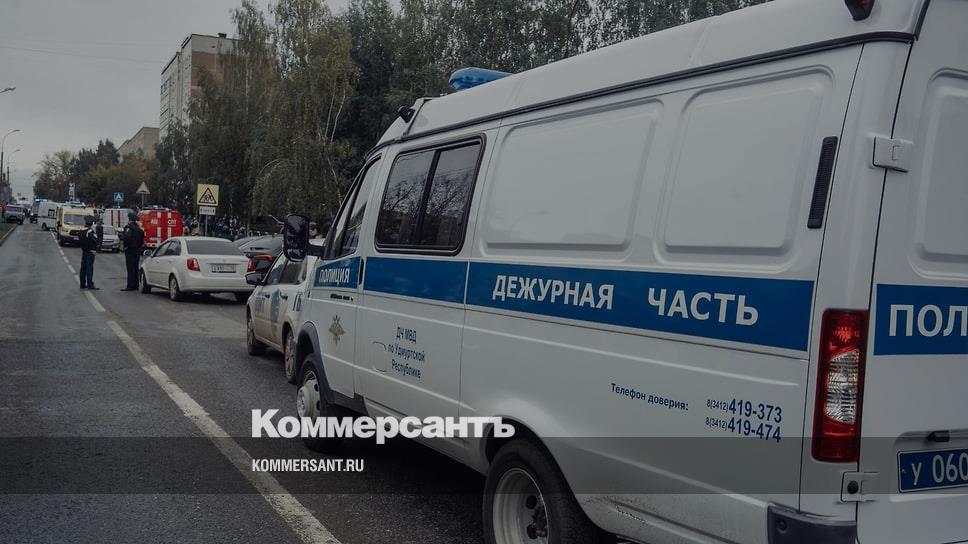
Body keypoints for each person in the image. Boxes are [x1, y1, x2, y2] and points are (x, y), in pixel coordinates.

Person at [120, 211, 145, 291]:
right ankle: (136, 285)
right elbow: (142, 240)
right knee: (135, 267)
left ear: (130, 220)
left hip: (130, 250)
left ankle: (130, 285)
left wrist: (126, 246)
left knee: (130, 268)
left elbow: (126, 238)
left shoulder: (129, 228)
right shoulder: (139, 230)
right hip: (137, 250)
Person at [79, 215, 100, 290]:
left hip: (84, 251)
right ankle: (90, 284)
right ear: (91, 224)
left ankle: (82, 284)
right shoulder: (90, 231)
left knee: (83, 268)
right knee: (89, 269)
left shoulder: (81, 230)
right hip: (90, 252)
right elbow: (95, 240)